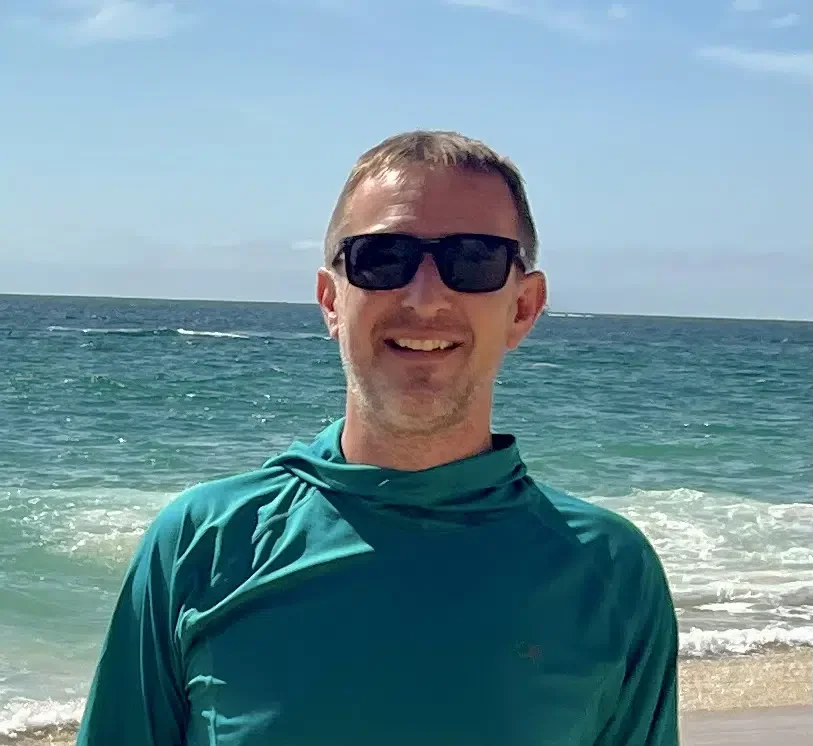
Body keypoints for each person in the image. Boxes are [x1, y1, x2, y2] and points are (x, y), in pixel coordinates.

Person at [76, 130, 679, 745]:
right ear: (331, 300)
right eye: (382, 258)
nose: (424, 297)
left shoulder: (608, 571)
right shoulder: (203, 543)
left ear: (523, 307)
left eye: (474, 260)